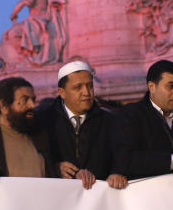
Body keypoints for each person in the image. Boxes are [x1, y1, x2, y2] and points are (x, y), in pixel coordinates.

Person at [37, 60, 127, 189]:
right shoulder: (44, 121)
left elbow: (122, 155)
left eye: (90, 86)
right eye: (77, 87)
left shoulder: (110, 121)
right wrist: (54, 167)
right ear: (62, 92)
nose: (86, 92)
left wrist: (117, 172)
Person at [115, 60, 173, 181]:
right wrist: (171, 161)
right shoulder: (130, 115)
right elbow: (124, 159)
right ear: (152, 87)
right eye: (171, 86)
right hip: (147, 196)